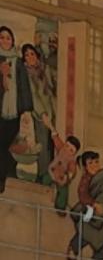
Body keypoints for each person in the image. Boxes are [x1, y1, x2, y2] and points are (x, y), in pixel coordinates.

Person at [0, 25, 33, 194]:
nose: (5, 41)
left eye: (8, 38)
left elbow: (24, 87)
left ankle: (2, 177)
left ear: (12, 40)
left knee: (7, 145)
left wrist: (26, 110)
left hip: (14, 111)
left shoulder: (18, 62)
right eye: (2, 37)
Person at [20, 43, 55, 182]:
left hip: (53, 109)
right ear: (24, 59)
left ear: (37, 55)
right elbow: (33, 96)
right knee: (43, 144)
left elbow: (53, 87)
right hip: (39, 113)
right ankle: (43, 174)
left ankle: (52, 173)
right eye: (26, 55)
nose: (30, 57)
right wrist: (43, 114)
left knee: (53, 143)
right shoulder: (26, 74)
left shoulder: (45, 68)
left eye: (32, 54)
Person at [46, 127, 80, 213]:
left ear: (74, 153)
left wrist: (67, 177)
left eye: (71, 150)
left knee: (63, 193)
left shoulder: (72, 162)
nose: (67, 150)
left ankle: (60, 208)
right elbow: (56, 139)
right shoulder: (61, 149)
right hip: (52, 171)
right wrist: (52, 130)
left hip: (62, 178)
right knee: (45, 179)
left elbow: (72, 172)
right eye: (67, 146)